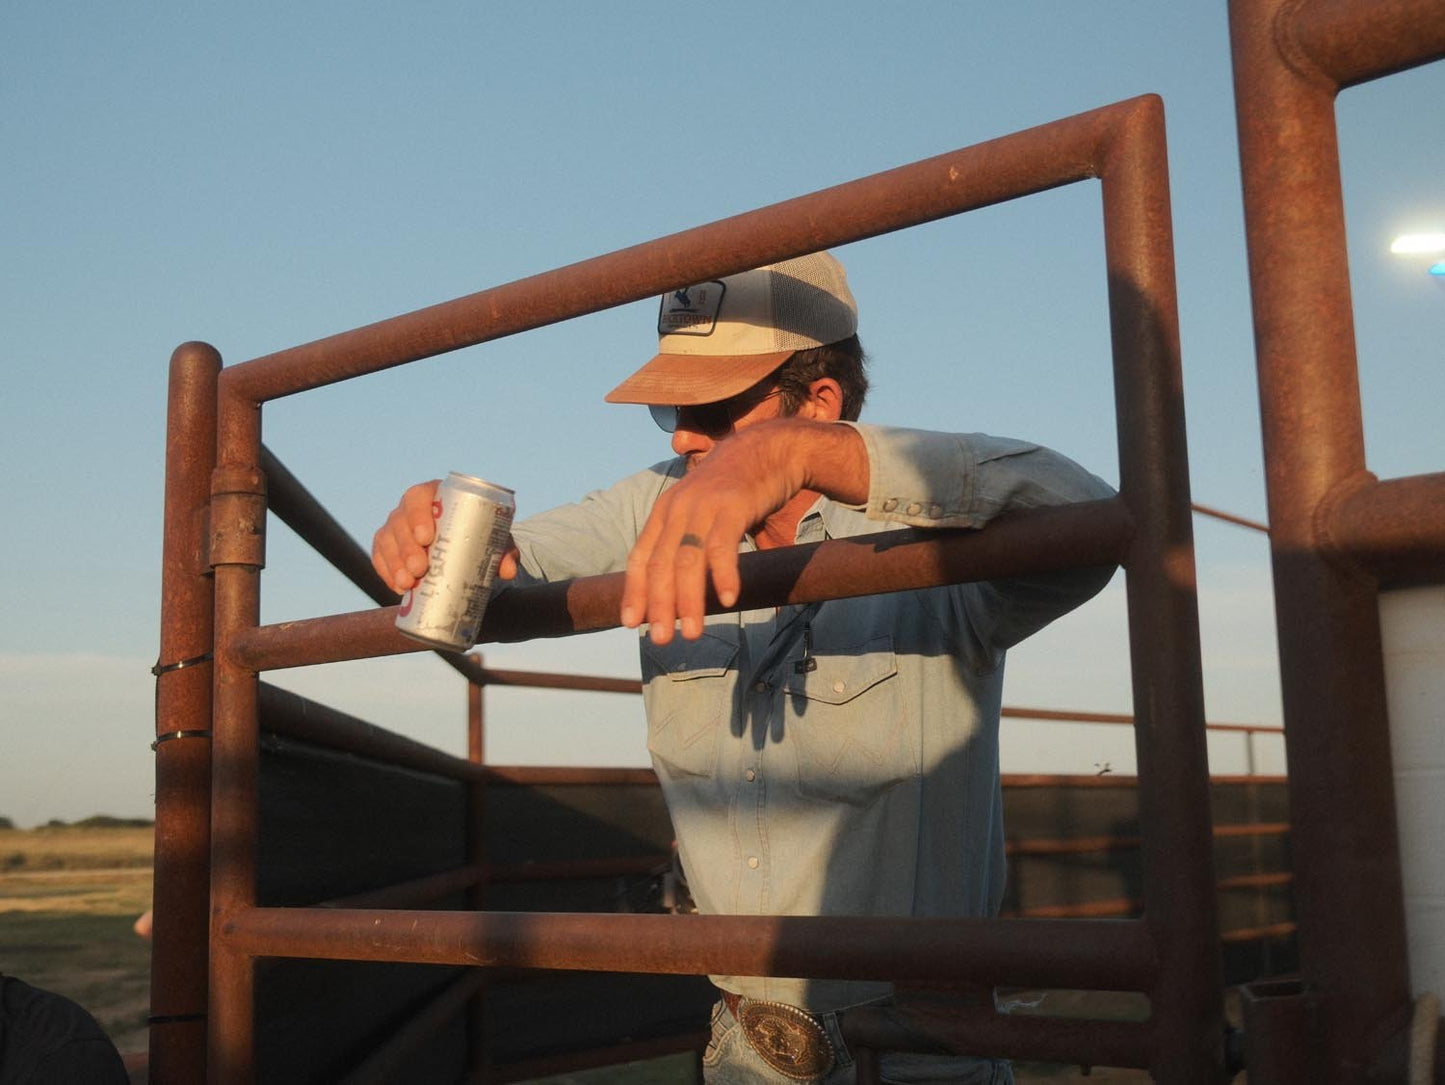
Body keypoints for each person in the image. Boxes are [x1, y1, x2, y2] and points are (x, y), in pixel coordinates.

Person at [372, 252, 1116, 1083]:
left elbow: (1095, 515)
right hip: (745, 1052)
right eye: (670, 408)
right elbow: (514, 565)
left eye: (717, 407)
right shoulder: (655, 501)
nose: (687, 433)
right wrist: (438, 530)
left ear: (819, 403)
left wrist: (797, 456)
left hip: (921, 1052)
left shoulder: (931, 537)